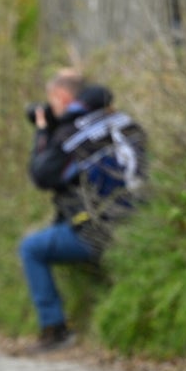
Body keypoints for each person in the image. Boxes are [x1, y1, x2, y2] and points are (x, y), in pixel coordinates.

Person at [19, 69, 149, 352]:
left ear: (63, 97)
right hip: (144, 224)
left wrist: (43, 131)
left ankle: (55, 329)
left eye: (52, 101)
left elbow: (41, 175)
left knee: (31, 248)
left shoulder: (70, 133)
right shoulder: (125, 122)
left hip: (100, 230)